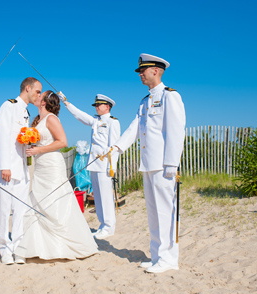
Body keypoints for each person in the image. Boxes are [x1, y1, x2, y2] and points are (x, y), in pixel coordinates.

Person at [111, 53, 186, 274]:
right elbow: (133, 129)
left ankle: (169, 259)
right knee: (153, 213)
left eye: (143, 70)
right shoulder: (144, 102)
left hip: (164, 165)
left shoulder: (170, 96)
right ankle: (157, 256)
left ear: (156, 70)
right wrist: (116, 148)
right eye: (140, 71)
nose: (140, 74)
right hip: (148, 164)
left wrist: (172, 163)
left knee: (165, 212)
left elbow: (176, 130)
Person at [14, 90, 99, 260]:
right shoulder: (38, 120)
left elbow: (62, 142)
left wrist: (38, 149)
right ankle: (36, 246)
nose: (36, 97)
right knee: (38, 202)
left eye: (40, 95)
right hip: (40, 166)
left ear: (44, 102)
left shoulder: (51, 118)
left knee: (54, 201)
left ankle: (65, 245)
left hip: (52, 165)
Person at [0, 77, 41, 265]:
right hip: (6, 168)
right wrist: (4, 166)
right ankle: (4, 249)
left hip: (21, 167)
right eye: (37, 91)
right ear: (27, 88)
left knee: (20, 209)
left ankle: (18, 247)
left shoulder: (25, 112)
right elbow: (1, 135)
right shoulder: (8, 106)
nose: (38, 95)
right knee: (4, 209)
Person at [61, 93, 121, 239]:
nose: (96, 107)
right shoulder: (96, 121)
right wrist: (67, 103)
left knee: (106, 197)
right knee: (98, 197)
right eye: (95, 105)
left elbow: (114, 147)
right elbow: (80, 116)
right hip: (94, 165)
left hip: (105, 166)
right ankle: (102, 225)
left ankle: (109, 227)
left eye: (98, 105)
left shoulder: (113, 122)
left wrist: (111, 167)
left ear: (107, 107)